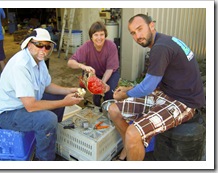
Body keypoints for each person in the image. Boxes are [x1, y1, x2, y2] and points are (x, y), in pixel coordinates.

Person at [108, 14, 205, 161]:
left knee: (133, 133)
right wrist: (128, 90)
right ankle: (128, 150)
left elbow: (147, 87)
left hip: (185, 101)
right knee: (114, 110)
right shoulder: (164, 41)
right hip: (168, 93)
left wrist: (125, 94)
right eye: (133, 33)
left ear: (151, 25)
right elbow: (152, 82)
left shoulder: (160, 47)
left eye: (140, 29)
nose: (137, 36)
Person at [0, 28, 83, 161]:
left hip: (23, 104)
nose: (43, 50)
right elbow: (31, 106)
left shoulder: (39, 60)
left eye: (47, 46)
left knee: (59, 100)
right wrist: (65, 102)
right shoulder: (20, 65)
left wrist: (68, 90)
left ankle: (48, 138)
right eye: (40, 45)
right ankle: (43, 160)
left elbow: (47, 86)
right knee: (48, 119)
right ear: (29, 44)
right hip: (6, 114)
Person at [67, 21, 120, 107]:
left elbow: (110, 68)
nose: (99, 38)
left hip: (111, 73)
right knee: (96, 96)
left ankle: (108, 111)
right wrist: (82, 66)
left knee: (109, 94)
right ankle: (97, 109)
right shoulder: (87, 46)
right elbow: (70, 62)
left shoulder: (111, 46)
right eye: (96, 35)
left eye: (101, 34)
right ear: (91, 37)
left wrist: (101, 84)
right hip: (94, 74)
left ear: (105, 35)